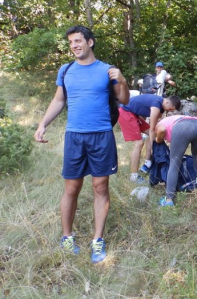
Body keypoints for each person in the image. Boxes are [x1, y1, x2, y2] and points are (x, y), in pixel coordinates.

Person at [34, 25, 130, 263]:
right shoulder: (66, 71)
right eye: (71, 43)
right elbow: (59, 100)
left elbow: (124, 99)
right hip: (74, 136)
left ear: (90, 42)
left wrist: (123, 80)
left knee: (100, 187)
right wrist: (43, 123)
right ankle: (67, 237)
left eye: (78, 41)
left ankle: (98, 240)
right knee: (71, 188)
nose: (74, 46)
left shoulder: (107, 70)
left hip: (101, 136)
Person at [118, 94, 181, 183]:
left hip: (134, 114)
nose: (169, 111)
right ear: (167, 102)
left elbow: (155, 128)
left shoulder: (162, 107)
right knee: (139, 143)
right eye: (170, 108)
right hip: (125, 112)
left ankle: (148, 163)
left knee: (155, 134)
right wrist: (153, 147)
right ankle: (134, 176)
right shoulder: (156, 105)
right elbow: (151, 130)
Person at [155, 115, 197, 206]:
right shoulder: (173, 118)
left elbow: (161, 130)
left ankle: (169, 200)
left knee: (174, 163)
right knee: (196, 152)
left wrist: (157, 139)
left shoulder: (159, 124)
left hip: (182, 128)